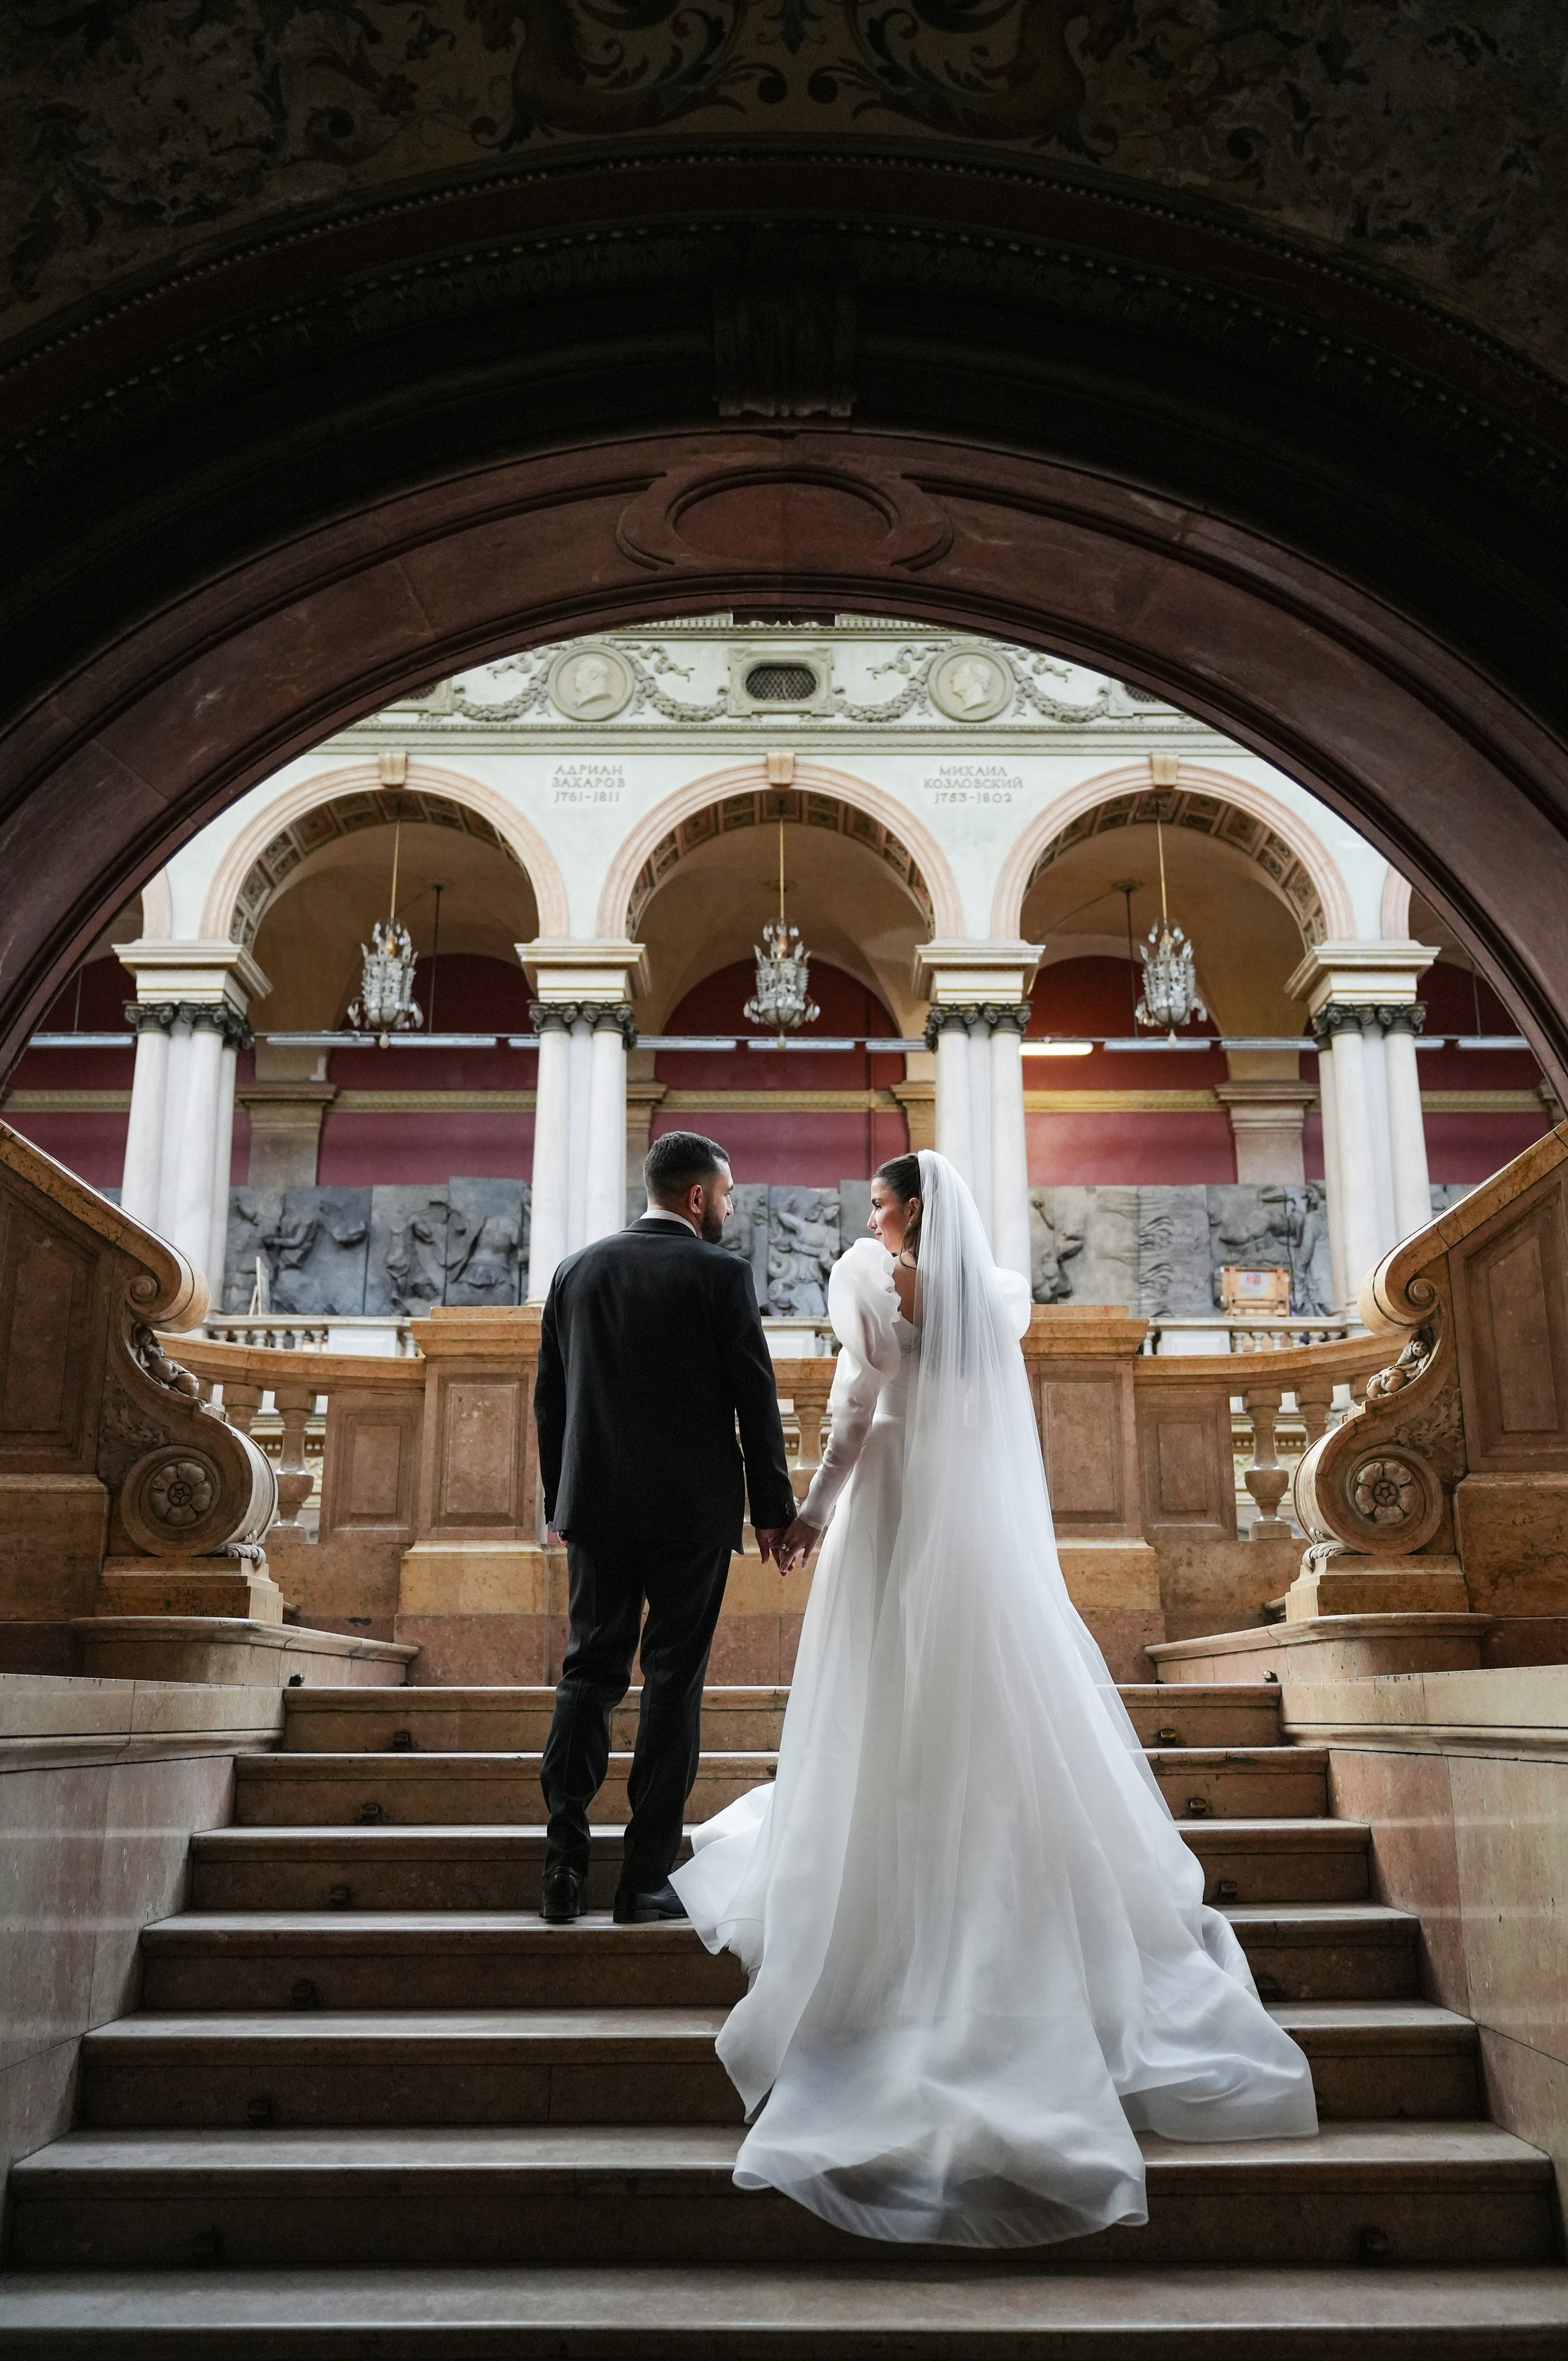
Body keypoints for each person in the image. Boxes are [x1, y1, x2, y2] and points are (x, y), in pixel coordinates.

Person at [671, 1148, 1317, 2247]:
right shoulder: (993, 1296)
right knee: (985, 1700)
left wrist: (809, 1513)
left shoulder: (867, 1282)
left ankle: (883, 1890)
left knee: (882, 1694)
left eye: (882, 1205)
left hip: (892, 1508)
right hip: (971, 1529)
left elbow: (855, 1408)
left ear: (913, 1209)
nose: (871, 1221)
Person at [533, 1131, 796, 1926]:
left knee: (588, 1674)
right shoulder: (721, 1273)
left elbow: (551, 1399)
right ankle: (644, 1880)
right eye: (727, 1195)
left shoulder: (575, 1271)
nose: (730, 1209)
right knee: (673, 1683)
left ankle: (563, 1867)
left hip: (597, 1508)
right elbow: (755, 1399)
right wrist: (773, 1511)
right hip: (692, 1514)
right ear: (697, 1196)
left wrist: (559, 1504)